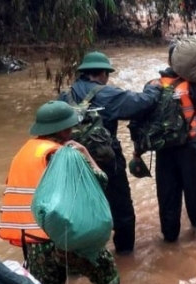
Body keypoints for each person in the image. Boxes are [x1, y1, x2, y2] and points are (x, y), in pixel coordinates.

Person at [0, 100, 121, 284]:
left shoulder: (24, 152)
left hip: (32, 240)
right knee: (106, 271)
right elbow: (99, 181)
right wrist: (85, 153)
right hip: (62, 236)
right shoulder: (64, 154)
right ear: (64, 129)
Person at [57, 51, 162, 255]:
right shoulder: (106, 93)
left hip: (73, 163)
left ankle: (81, 256)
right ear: (103, 73)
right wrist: (152, 88)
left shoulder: (64, 96)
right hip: (107, 163)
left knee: (80, 210)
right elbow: (141, 103)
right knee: (122, 211)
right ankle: (124, 255)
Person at [136, 46, 196, 243]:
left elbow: (143, 118)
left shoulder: (153, 84)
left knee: (167, 194)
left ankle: (169, 238)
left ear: (170, 62)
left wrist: (138, 150)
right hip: (190, 146)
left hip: (163, 149)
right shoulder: (194, 86)